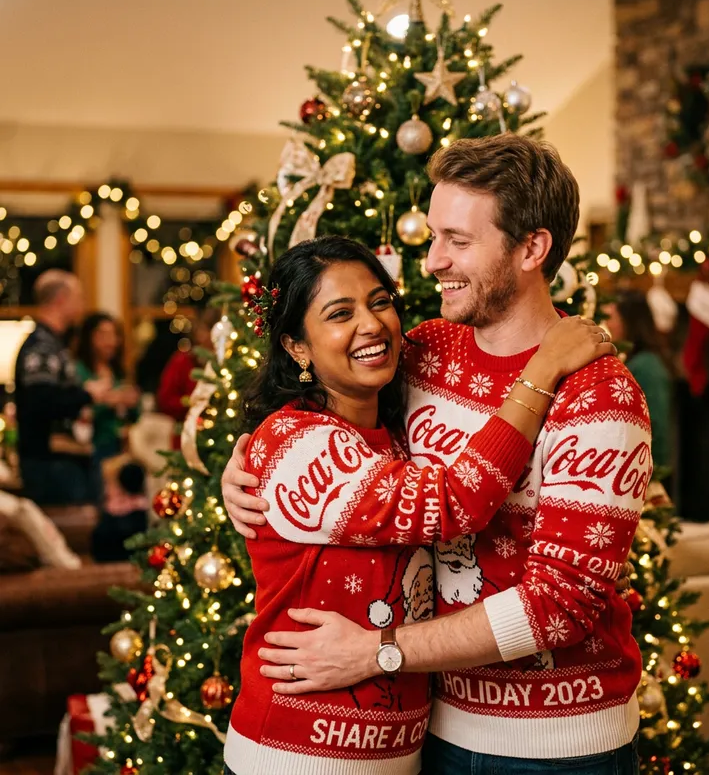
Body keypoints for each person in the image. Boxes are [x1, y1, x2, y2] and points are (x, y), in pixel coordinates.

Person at [223, 134, 651, 774]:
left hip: (553, 748)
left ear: (532, 248)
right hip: (431, 732)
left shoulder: (599, 394)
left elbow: (560, 605)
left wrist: (381, 652)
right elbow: (332, 420)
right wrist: (246, 463)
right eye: (432, 236)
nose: (431, 263)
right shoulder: (424, 352)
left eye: (457, 240)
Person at [14, 270, 115, 505]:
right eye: (77, 297)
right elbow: (40, 401)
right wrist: (87, 394)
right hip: (50, 465)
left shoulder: (55, 344)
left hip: (63, 461)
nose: (81, 304)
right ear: (61, 299)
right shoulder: (41, 347)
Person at [604, 291, 672, 469]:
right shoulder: (635, 362)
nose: (608, 324)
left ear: (628, 321)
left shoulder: (645, 367)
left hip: (643, 468)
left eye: (612, 317)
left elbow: (655, 425)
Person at [75, 312, 140, 462]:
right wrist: (107, 401)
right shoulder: (79, 371)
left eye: (114, 335)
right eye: (103, 335)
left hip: (119, 448)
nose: (111, 342)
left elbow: (134, 417)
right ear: (89, 337)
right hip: (89, 450)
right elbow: (77, 411)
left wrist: (132, 402)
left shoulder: (118, 373)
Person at [157, 307, 219, 447]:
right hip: (187, 440)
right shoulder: (182, 362)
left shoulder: (228, 364)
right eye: (204, 330)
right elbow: (165, 400)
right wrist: (191, 402)